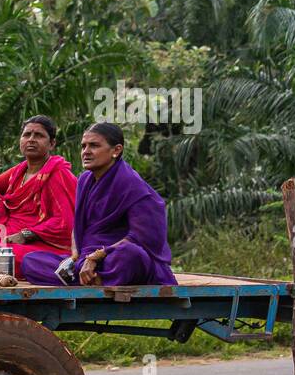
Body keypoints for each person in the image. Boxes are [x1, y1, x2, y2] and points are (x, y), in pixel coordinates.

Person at [19, 122, 177, 287]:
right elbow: (77, 226)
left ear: (116, 150)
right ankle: (93, 279)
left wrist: (97, 256)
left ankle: (92, 278)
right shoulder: (84, 180)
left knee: (131, 255)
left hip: (115, 258)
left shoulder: (130, 183)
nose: (86, 151)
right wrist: (74, 257)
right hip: (86, 260)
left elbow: (143, 238)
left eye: (94, 146)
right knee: (30, 260)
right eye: (83, 146)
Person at [0, 115, 77, 269]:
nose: (31, 139)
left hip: (41, 242)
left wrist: (26, 235)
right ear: (20, 140)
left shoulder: (59, 173)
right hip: (6, 236)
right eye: (27, 135)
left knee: (12, 258)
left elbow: (65, 222)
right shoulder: (19, 171)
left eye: (39, 135)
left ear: (52, 144)